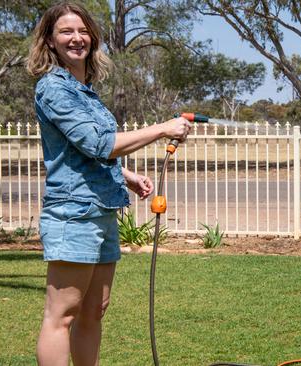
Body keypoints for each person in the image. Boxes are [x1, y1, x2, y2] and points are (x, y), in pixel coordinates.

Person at [26, 2, 192, 365]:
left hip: (101, 209)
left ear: (93, 37)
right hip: (74, 212)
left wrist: (126, 176)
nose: (76, 38)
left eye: (82, 30)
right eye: (66, 32)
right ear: (50, 42)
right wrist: (163, 128)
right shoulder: (54, 88)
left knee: (94, 310)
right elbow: (98, 143)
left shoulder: (85, 90)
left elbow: (85, 151)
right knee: (63, 314)